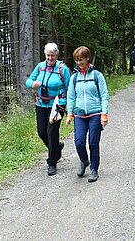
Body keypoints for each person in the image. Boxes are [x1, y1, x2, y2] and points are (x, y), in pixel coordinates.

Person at [25, 42, 71, 176]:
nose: (50, 58)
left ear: (57, 55)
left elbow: (69, 88)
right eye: (48, 55)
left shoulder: (63, 69)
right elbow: (28, 81)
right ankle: (56, 148)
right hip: (41, 104)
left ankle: (52, 163)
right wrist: (33, 84)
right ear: (45, 55)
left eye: (53, 56)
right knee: (42, 133)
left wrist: (68, 104)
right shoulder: (40, 67)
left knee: (52, 133)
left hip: (57, 105)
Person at [65, 46, 109, 183]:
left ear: (87, 58)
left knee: (93, 143)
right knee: (79, 142)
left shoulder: (97, 75)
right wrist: (69, 114)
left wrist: (104, 114)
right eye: (77, 60)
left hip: (95, 113)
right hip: (79, 115)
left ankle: (94, 169)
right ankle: (84, 161)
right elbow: (71, 96)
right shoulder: (74, 78)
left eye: (81, 60)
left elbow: (104, 95)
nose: (79, 63)